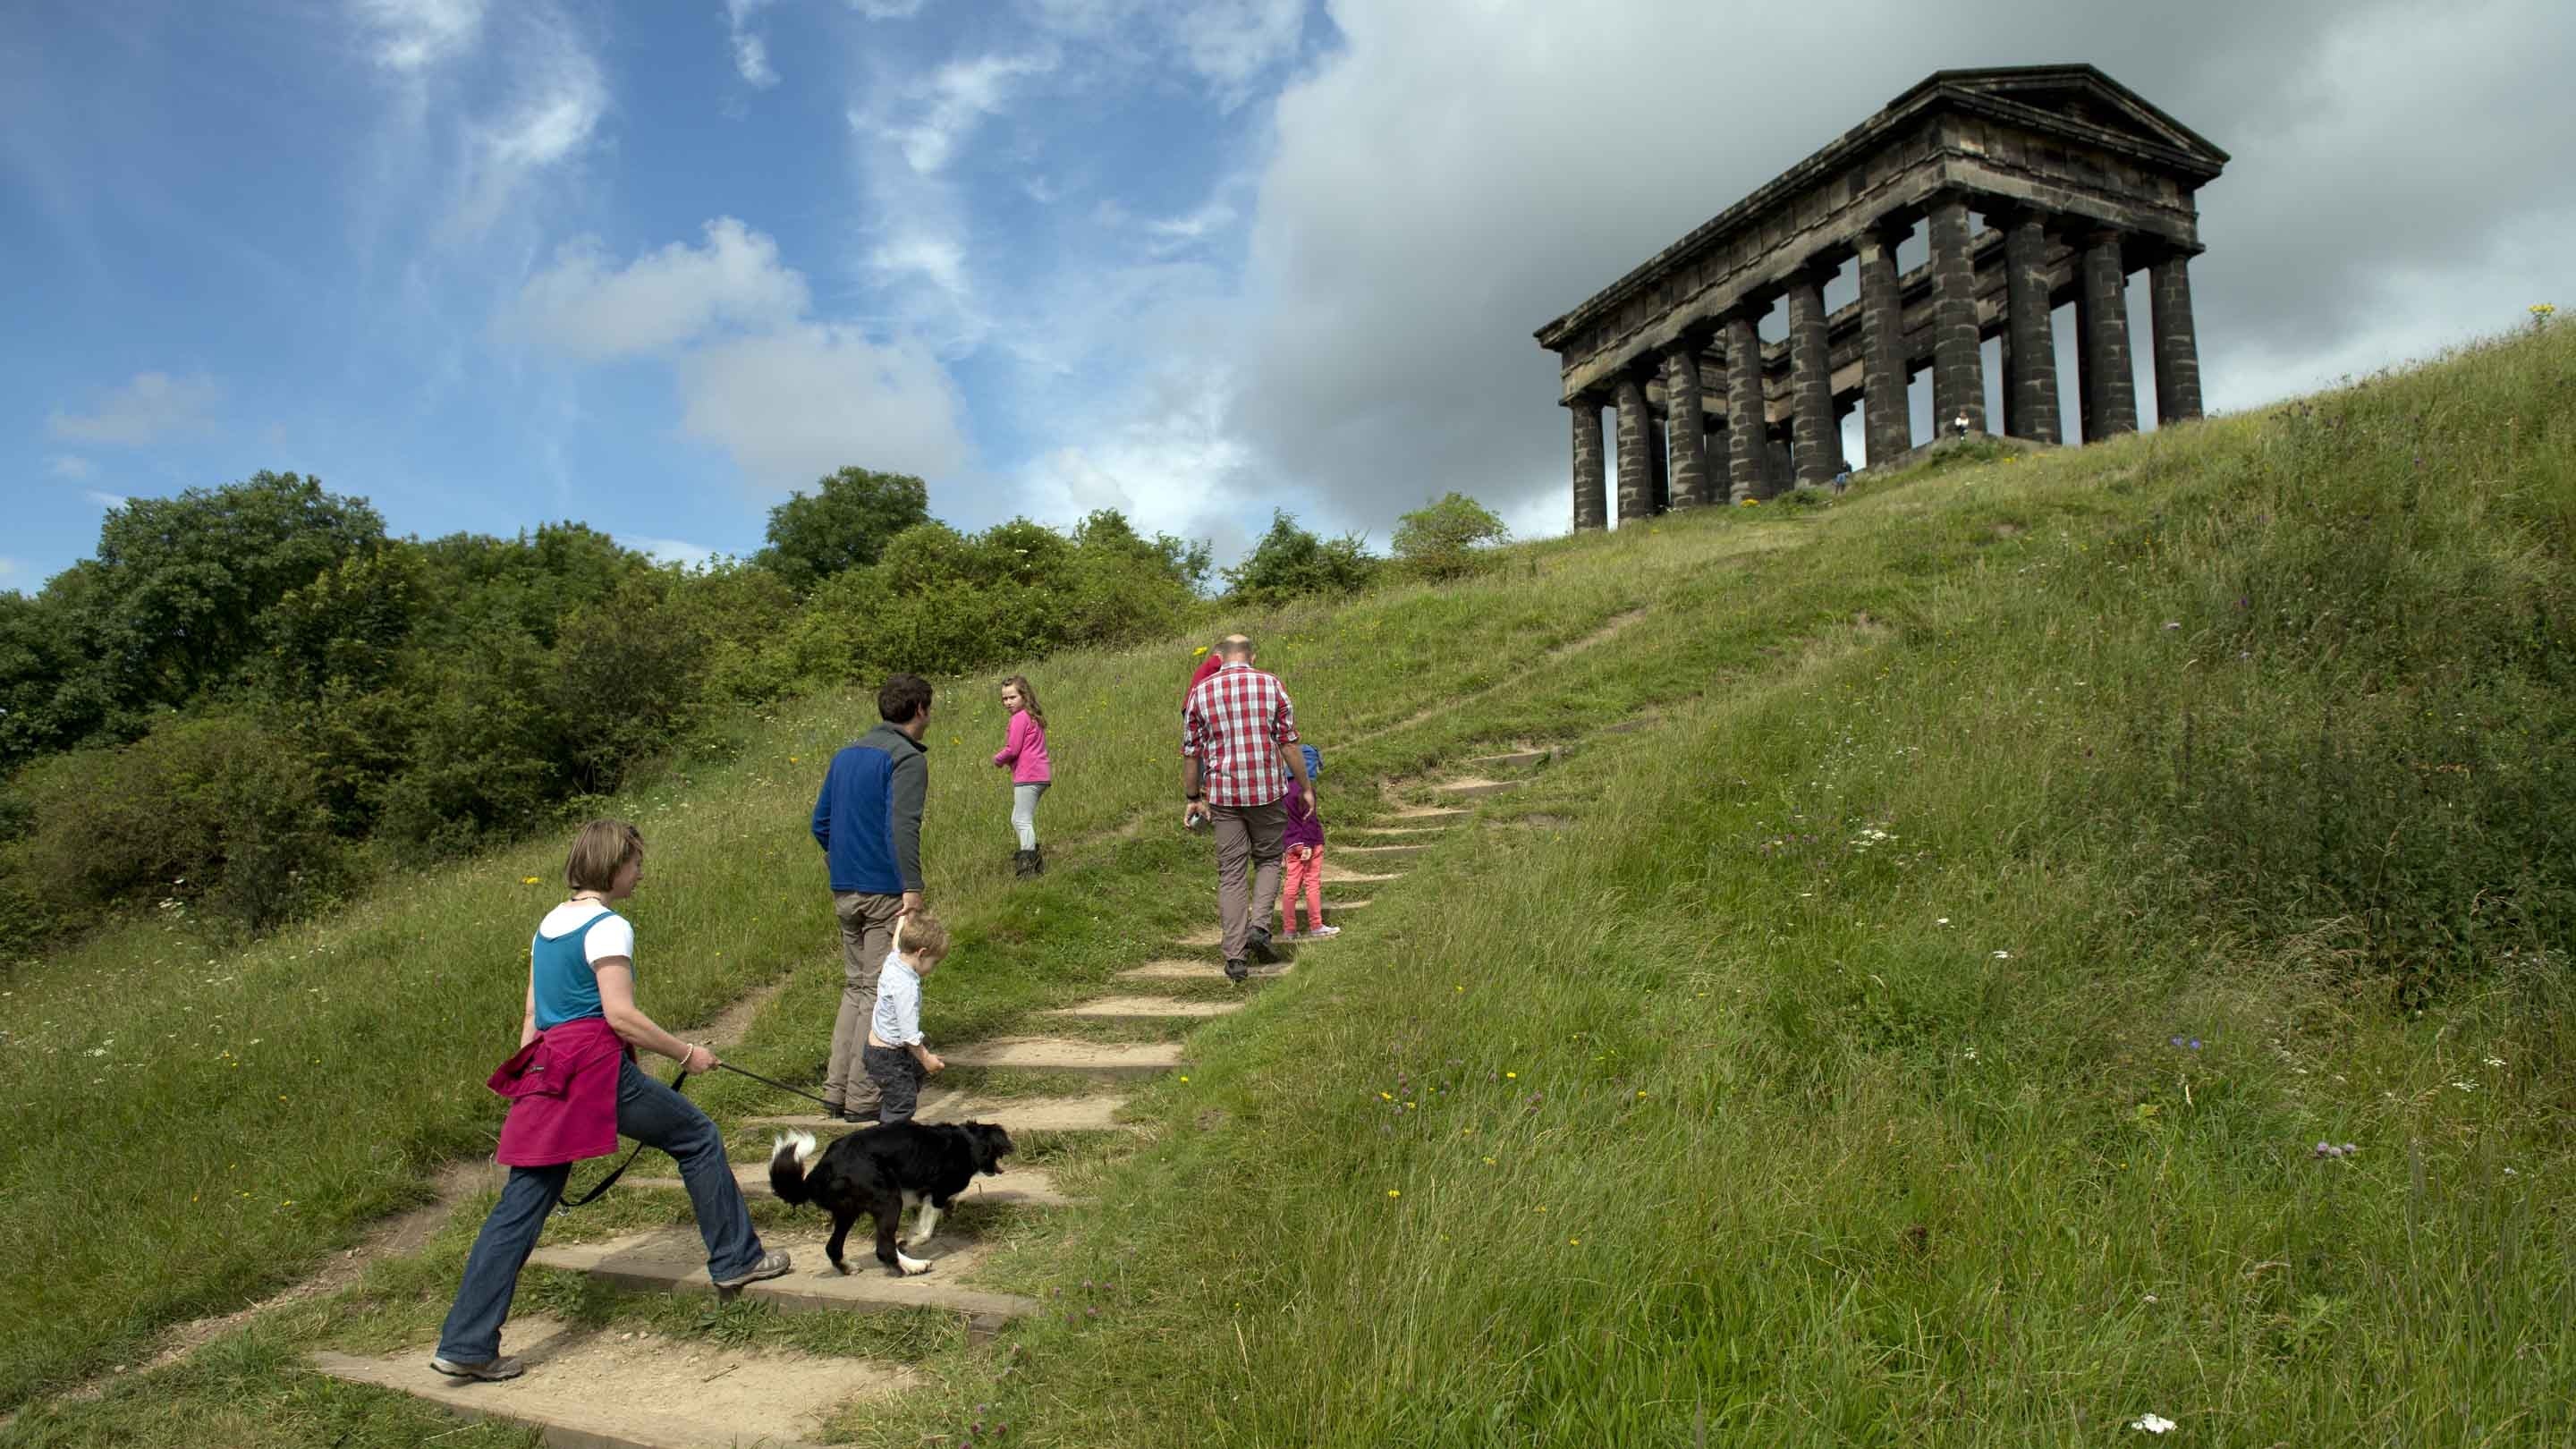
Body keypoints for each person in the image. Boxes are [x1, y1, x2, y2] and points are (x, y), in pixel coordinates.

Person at [432, 820, 789, 1383]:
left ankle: (466, 1342)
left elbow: (532, 1017)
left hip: (549, 1064)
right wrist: (686, 1052)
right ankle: (736, 1259)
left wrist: (533, 1086)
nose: (641, 872)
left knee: (519, 1207)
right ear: (613, 864)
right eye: (635, 862)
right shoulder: (608, 927)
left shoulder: (547, 926)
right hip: (594, 1068)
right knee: (697, 1137)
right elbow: (618, 1015)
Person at [811, 674, 932, 1124]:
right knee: (879, 992)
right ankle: (864, 1098)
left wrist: (842, 860)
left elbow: (820, 823)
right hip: (885, 891)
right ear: (920, 709)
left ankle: (836, 1090)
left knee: (856, 987)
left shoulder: (847, 755)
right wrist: (912, 886)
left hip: (845, 889)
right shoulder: (906, 758)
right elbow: (903, 826)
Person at [1182, 635, 1311, 981]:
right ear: (1252, 655)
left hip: (1223, 796)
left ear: (1218, 657)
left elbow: (1191, 751)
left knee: (1231, 873)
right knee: (1269, 859)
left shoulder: (1201, 691)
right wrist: (1306, 788)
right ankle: (1259, 929)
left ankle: (1235, 958)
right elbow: (1289, 742)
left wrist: (1193, 796)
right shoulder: (1271, 684)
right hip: (1267, 793)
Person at [864, 911, 951, 1124]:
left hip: (878, 1048)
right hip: (888, 1056)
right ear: (921, 953)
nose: (933, 968)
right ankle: (892, 1135)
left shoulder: (895, 959)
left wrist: (903, 920)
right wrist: (927, 1059)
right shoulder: (906, 988)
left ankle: (895, 1119)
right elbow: (909, 1035)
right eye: (934, 962)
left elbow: (896, 943)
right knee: (903, 1101)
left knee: (906, 1084)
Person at [992, 675, 1051, 879]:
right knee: (1017, 818)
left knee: (1023, 820)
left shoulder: (1019, 718)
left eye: (1012, 697)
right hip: (1040, 774)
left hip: (1028, 775)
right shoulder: (1033, 716)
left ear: (1024, 696)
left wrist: (997, 759)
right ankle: (1035, 862)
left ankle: (1028, 866)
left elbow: (1013, 749)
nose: (1007, 702)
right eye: (1004, 699)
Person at [1276, 747, 1336, 940]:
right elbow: (1309, 820)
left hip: (1290, 844)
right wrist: (1309, 845)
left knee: (1291, 885)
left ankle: (1289, 929)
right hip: (1310, 843)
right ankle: (1316, 925)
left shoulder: (1283, 791)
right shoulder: (1307, 790)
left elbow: (1281, 821)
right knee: (1312, 884)